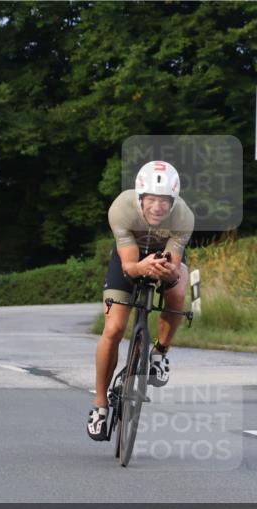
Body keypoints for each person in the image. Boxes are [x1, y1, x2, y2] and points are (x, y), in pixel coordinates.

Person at [87, 160, 194, 441]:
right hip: (130, 260)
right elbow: (129, 266)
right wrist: (139, 268)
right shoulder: (121, 209)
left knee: (178, 289)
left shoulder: (184, 216)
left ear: (173, 201)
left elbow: (173, 262)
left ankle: (160, 352)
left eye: (164, 201)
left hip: (162, 259)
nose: (157, 207)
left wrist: (167, 271)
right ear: (140, 198)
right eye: (151, 199)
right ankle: (100, 405)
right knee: (113, 329)